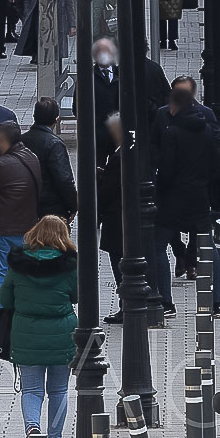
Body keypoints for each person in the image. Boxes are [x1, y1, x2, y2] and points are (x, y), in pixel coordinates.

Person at [1, 215, 77, 438]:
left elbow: (5, 300)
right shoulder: (70, 265)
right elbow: (77, 296)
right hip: (62, 334)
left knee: (31, 390)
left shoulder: (19, 264)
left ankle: (33, 430)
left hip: (26, 332)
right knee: (59, 391)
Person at [154, 89, 220, 316]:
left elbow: (165, 171)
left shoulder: (171, 134)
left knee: (157, 247)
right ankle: (215, 302)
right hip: (199, 198)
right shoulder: (206, 130)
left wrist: (159, 191)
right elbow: (217, 161)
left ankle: (166, 302)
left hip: (173, 199)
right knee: (209, 247)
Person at [0, 121, 42, 327]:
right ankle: (22, 322)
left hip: (1, 229)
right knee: (22, 278)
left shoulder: (0, 164)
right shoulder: (32, 158)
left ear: (1, 140)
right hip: (26, 228)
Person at [20, 97, 77, 221]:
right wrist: (73, 206)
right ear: (56, 119)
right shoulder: (54, 144)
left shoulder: (21, 140)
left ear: (34, 116)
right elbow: (64, 179)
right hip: (51, 208)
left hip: (25, 204)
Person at [98, 114, 126, 323]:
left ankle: (125, 305)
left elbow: (108, 191)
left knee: (119, 265)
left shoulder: (118, 158)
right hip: (125, 219)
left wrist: (102, 179)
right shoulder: (128, 153)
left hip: (117, 220)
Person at [78, 37, 121, 168]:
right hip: (97, 136)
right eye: (101, 51)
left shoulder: (122, 74)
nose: (104, 55)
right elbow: (78, 107)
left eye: (107, 51)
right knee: (97, 170)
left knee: (119, 171)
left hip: (119, 134)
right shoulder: (86, 77)